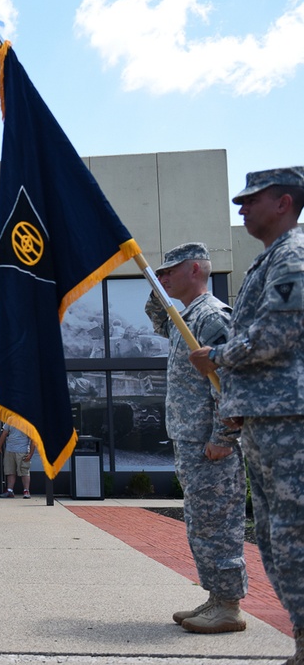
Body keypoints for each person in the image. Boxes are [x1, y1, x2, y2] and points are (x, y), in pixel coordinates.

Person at [190, 167, 304, 663]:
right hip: (267, 419)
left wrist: (216, 357)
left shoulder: (293, 257)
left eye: (250, 200)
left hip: (289, 420)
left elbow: (279, 336)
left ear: (284, 202)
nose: (241, 209)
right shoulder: (268, 261)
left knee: (291, 535)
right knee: (278, 541)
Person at [146, 242, 247, 634]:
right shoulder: (182, 318)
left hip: (211, 443)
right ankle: (216, 597)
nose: (163, 276)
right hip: (191, 440)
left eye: (169, 271)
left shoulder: (212, 317)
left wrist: (224, 434)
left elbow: (233, 379)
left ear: (194, 270)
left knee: (218, 522)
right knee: (202, 524)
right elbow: (157, 319)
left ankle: (229, 607)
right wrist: (157, 285)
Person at [0, 422, 35, 498]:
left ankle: (26, 491)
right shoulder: (10, 419)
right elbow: (4, 434)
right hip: (10, 450)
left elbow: (33, 439)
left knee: (24, 471)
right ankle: (10, 490)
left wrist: (30, 454)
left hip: (23, 451)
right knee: (10, 471)